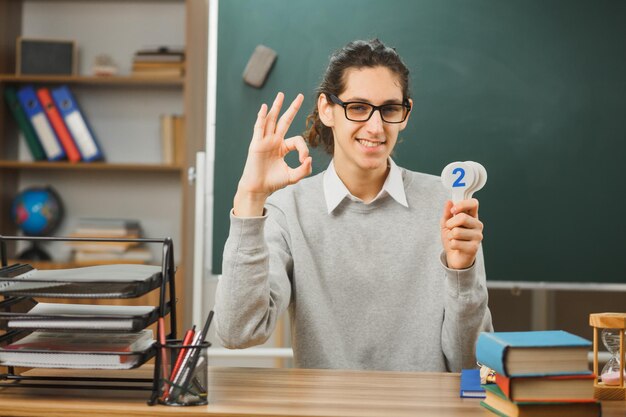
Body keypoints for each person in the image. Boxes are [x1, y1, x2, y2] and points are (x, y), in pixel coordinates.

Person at [214, 39, 492, 372]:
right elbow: (238, 332)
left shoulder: (445, 204)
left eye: (389, 109)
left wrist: (462, 273)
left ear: (405, 114)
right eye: (358, 107)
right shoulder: (288, 211)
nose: (375, 127)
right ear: (326, 109)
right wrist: (250, 197)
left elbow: (472, 364)